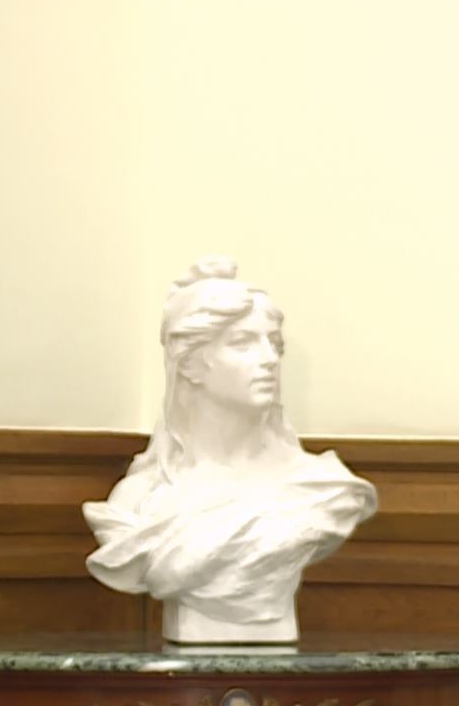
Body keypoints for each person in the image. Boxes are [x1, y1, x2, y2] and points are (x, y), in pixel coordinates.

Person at [83, 256, 376, 643]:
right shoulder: (141, 502)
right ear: (190, 364)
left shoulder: (322, 488)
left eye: (274, 344)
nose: (269, 360)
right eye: (243, 343)